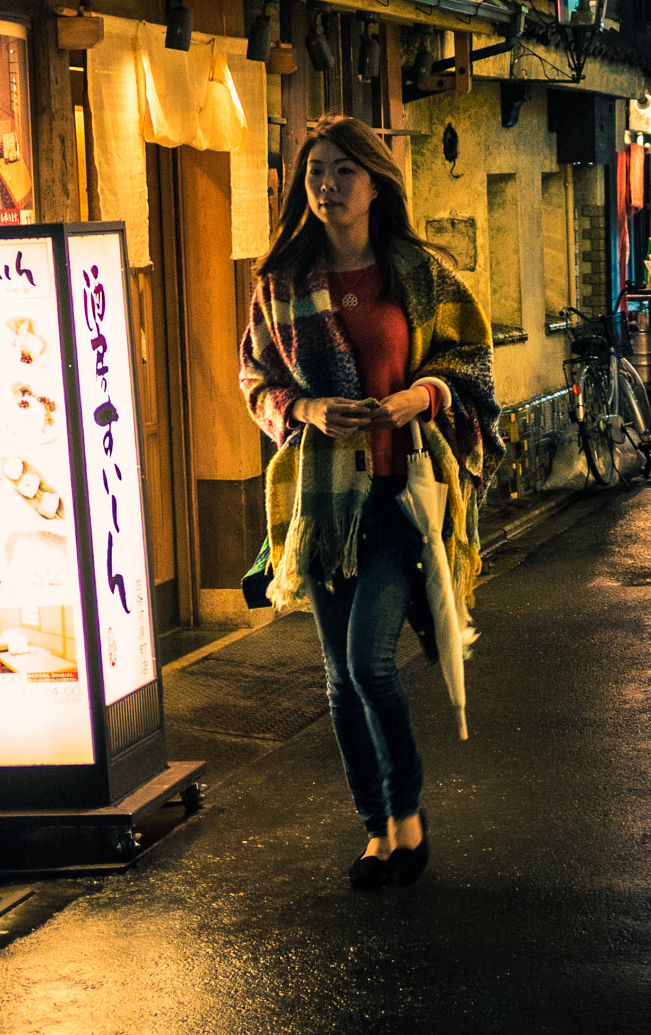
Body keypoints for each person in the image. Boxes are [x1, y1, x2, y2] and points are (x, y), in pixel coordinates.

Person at [239, 116, 502, 889]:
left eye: (342, 172)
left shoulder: (416, 273)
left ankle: (408, 811)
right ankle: (377, 831)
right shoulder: (280, 282)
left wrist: (421, 395)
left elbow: (473, 361)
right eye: (315, 172)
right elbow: (255, 379)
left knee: (368, 662)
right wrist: (306, 411)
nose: (326, 186)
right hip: (322, 506)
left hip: (401, 495)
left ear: (376, 182)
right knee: (336, 676)